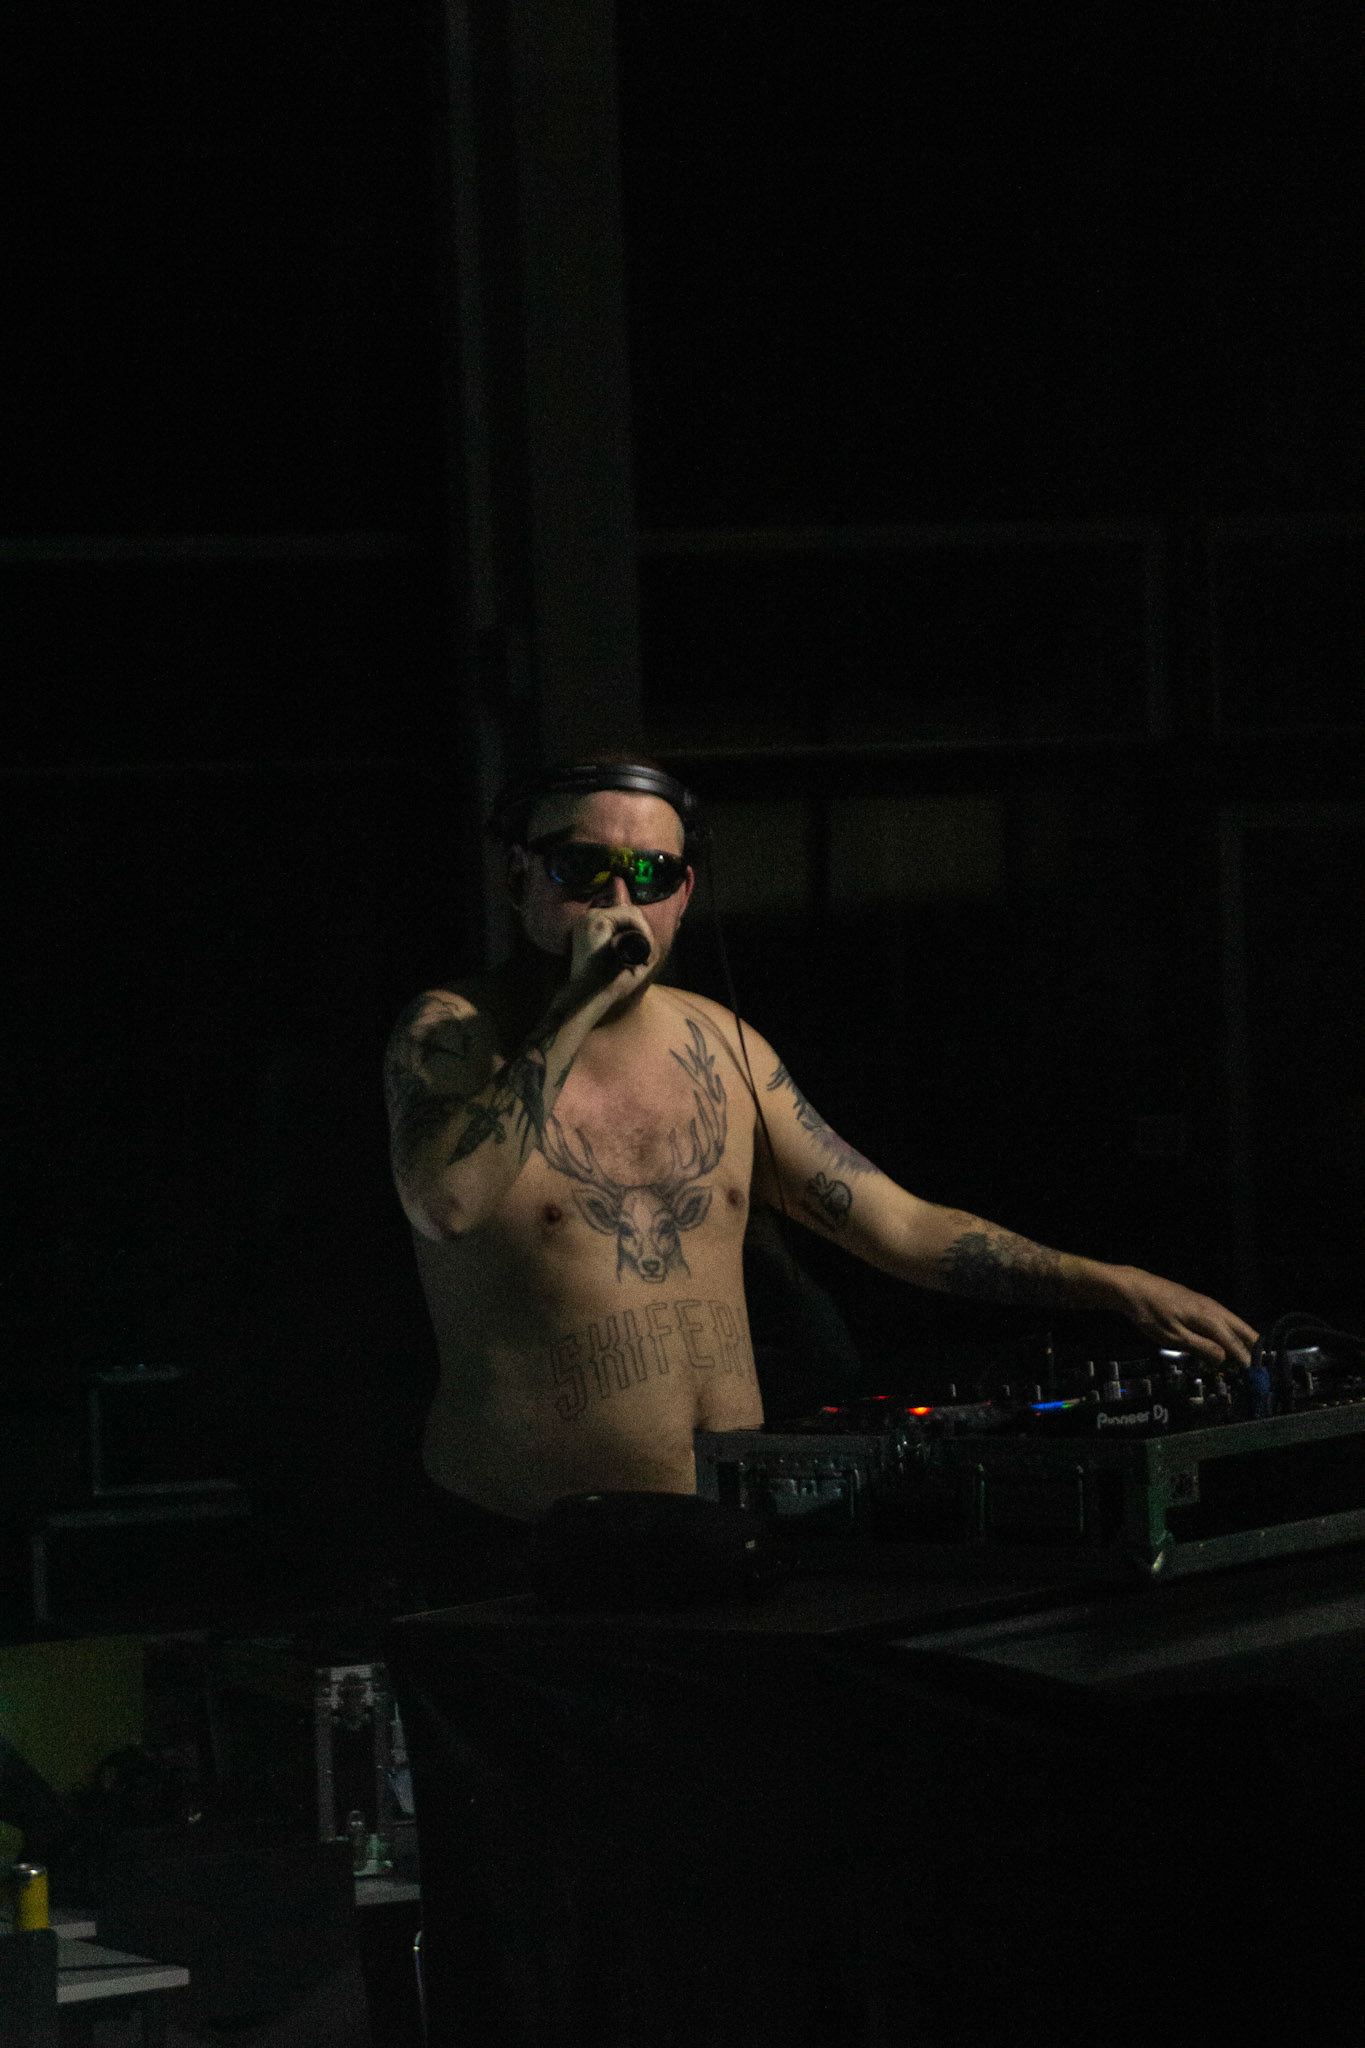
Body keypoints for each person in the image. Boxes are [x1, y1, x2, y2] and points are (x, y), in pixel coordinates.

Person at [384, 760, 1257, 1592]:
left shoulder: (720, 1045)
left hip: (729, 1523)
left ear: (683, 894)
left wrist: (1108, 1282)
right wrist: (577, 1005)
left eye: (651, 873)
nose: (619, 900)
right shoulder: (453, 1031)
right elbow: (444, 1202)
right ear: (518, 877)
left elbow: (895, 1225)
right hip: (534, 1542)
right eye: (582, 867)